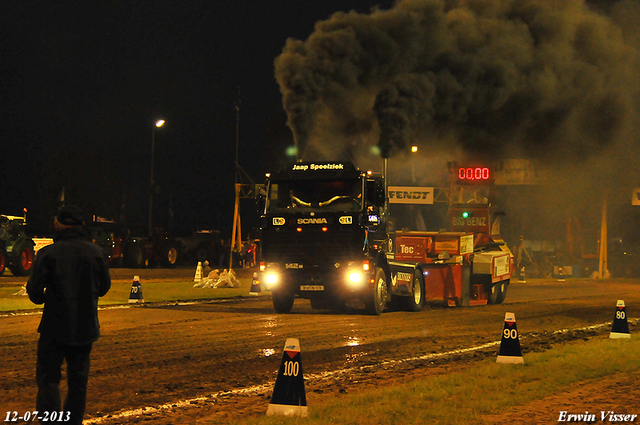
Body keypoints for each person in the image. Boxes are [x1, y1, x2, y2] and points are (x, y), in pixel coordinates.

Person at [27, 205, 111, 425]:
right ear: (82, 225)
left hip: (53, 328)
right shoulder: (96, 252)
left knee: (48, 380)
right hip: (85, 328)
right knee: (78, 382)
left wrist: (49, 299)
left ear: (57, 224)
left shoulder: (48, 253)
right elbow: (104, 287)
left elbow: (34, 292)